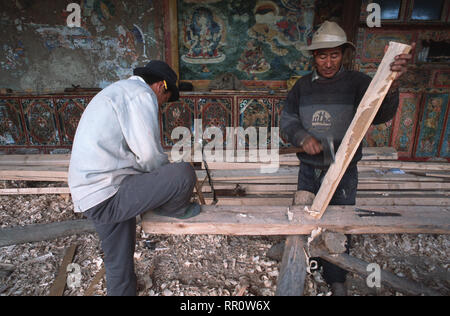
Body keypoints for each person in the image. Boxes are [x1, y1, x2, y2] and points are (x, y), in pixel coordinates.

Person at [279, 21, 414, 295]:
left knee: (339, 219)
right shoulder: (302, 86)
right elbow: (287, 120)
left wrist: (392, 84)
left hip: (344, 170)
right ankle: (309, 263)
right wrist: (302, 137)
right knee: (306, 216)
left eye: (334, 54)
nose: (328, 62)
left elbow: (381, 116)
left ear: (344, 55)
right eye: (321, 55)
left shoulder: (358, 83)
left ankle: (336, 275)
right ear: (313, 56)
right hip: (309, 167)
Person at [68, 60, 201, 296]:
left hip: (92, 192)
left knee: (118, 256)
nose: (161, 105)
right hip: (108, 192)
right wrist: (168, 182)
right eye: (165, 100)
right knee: (182, 173)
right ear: (161, 86)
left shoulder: (119, 90)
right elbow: (149, 154)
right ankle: (172, 208)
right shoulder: (141, 95)